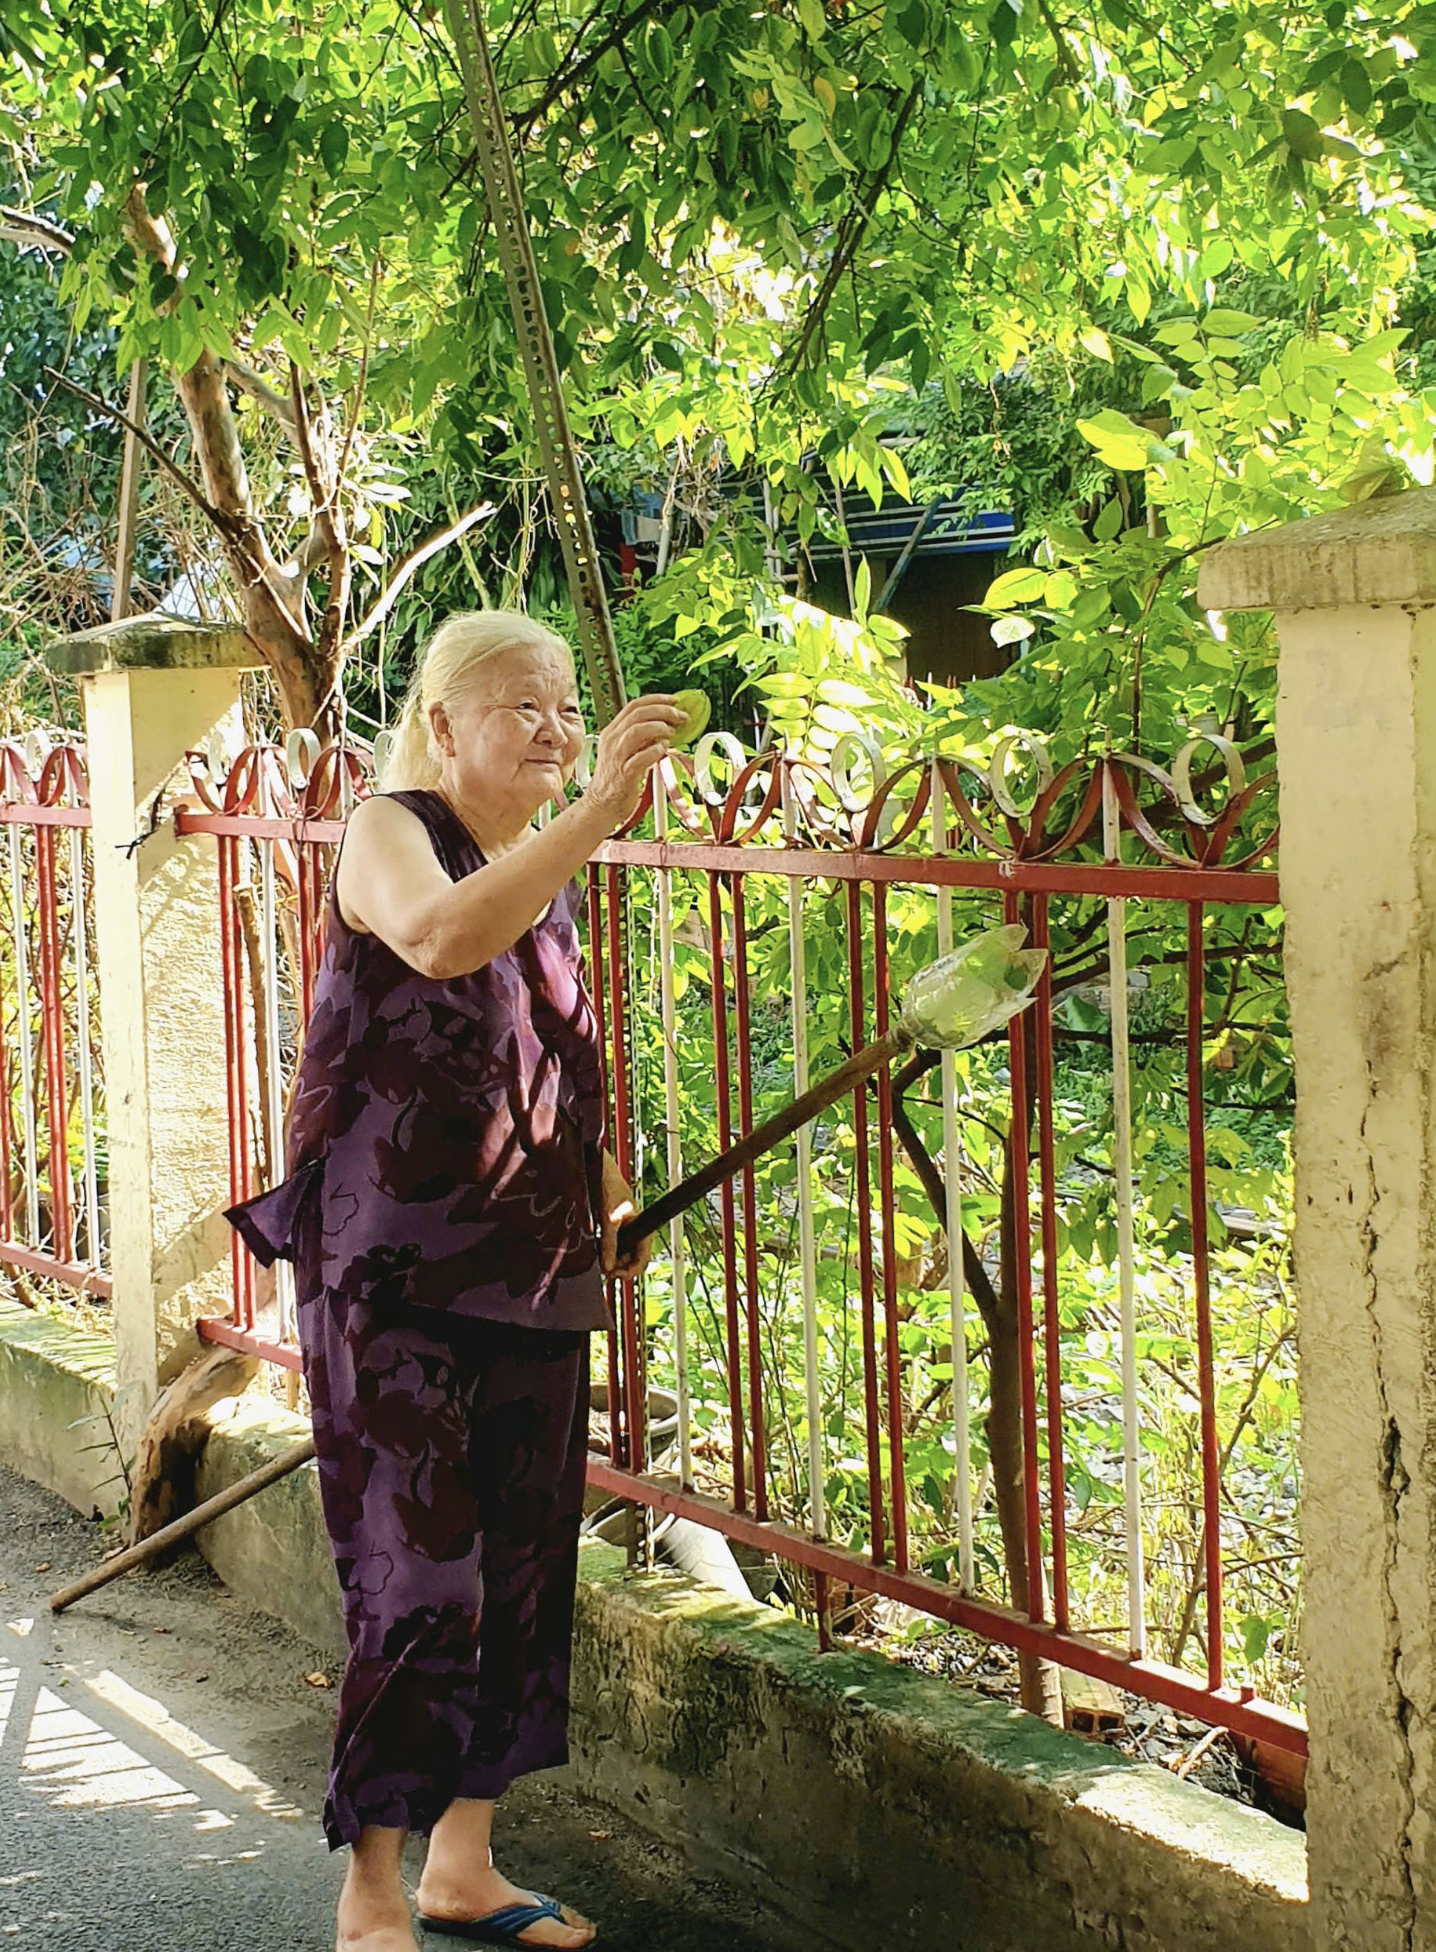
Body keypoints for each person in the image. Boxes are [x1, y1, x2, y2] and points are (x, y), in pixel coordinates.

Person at [227, 611, 683, 1952]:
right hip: (394, 1272)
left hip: (531, 1262)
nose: (552, 728)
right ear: (440, 722)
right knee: (418, 1579)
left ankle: (464, 1864)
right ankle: (372, 1879)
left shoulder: (543, 866)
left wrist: (608, 1196)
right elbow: (437, 941)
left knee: (527, 1571)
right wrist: (598, 807)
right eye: (520, 707)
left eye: (564, 707)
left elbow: (558, 1049)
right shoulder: (390, 828)